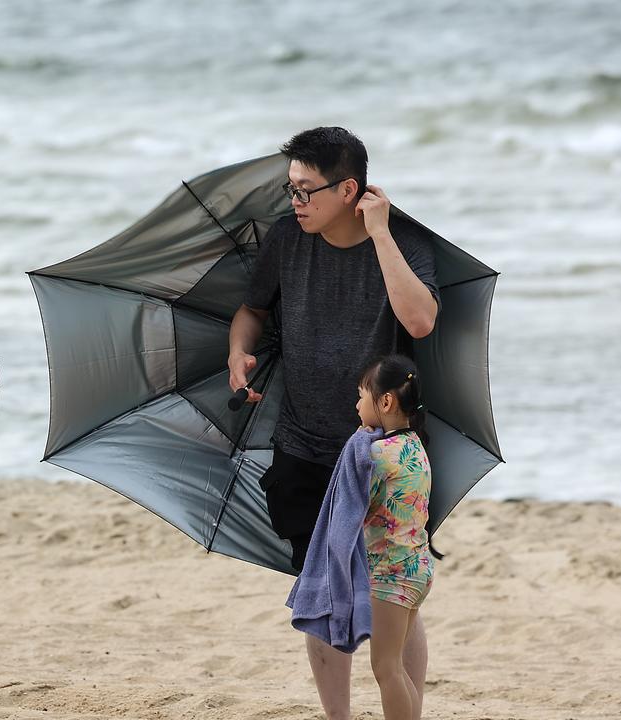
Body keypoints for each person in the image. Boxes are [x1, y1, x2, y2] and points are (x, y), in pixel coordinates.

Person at [227, 127, 439, 720]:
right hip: (302, 441)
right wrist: (237, 350)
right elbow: (252, 310)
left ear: (350, 189)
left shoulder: (402, 242)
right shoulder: (286, 239)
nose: (294, 202)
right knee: (319, 585)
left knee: (393, 593)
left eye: (305, 191)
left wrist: (379, 235)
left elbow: (420, 322)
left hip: (385, 453)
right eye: (290, 190)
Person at [355, 354, 434, 720]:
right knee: (399, 669)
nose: (357, 405)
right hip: (418, 568)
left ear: (385, 402)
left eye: (361, 396)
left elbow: (353, 508)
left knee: (386, 668)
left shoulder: (376, 453)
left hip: (390, 575)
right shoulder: (416, 445)